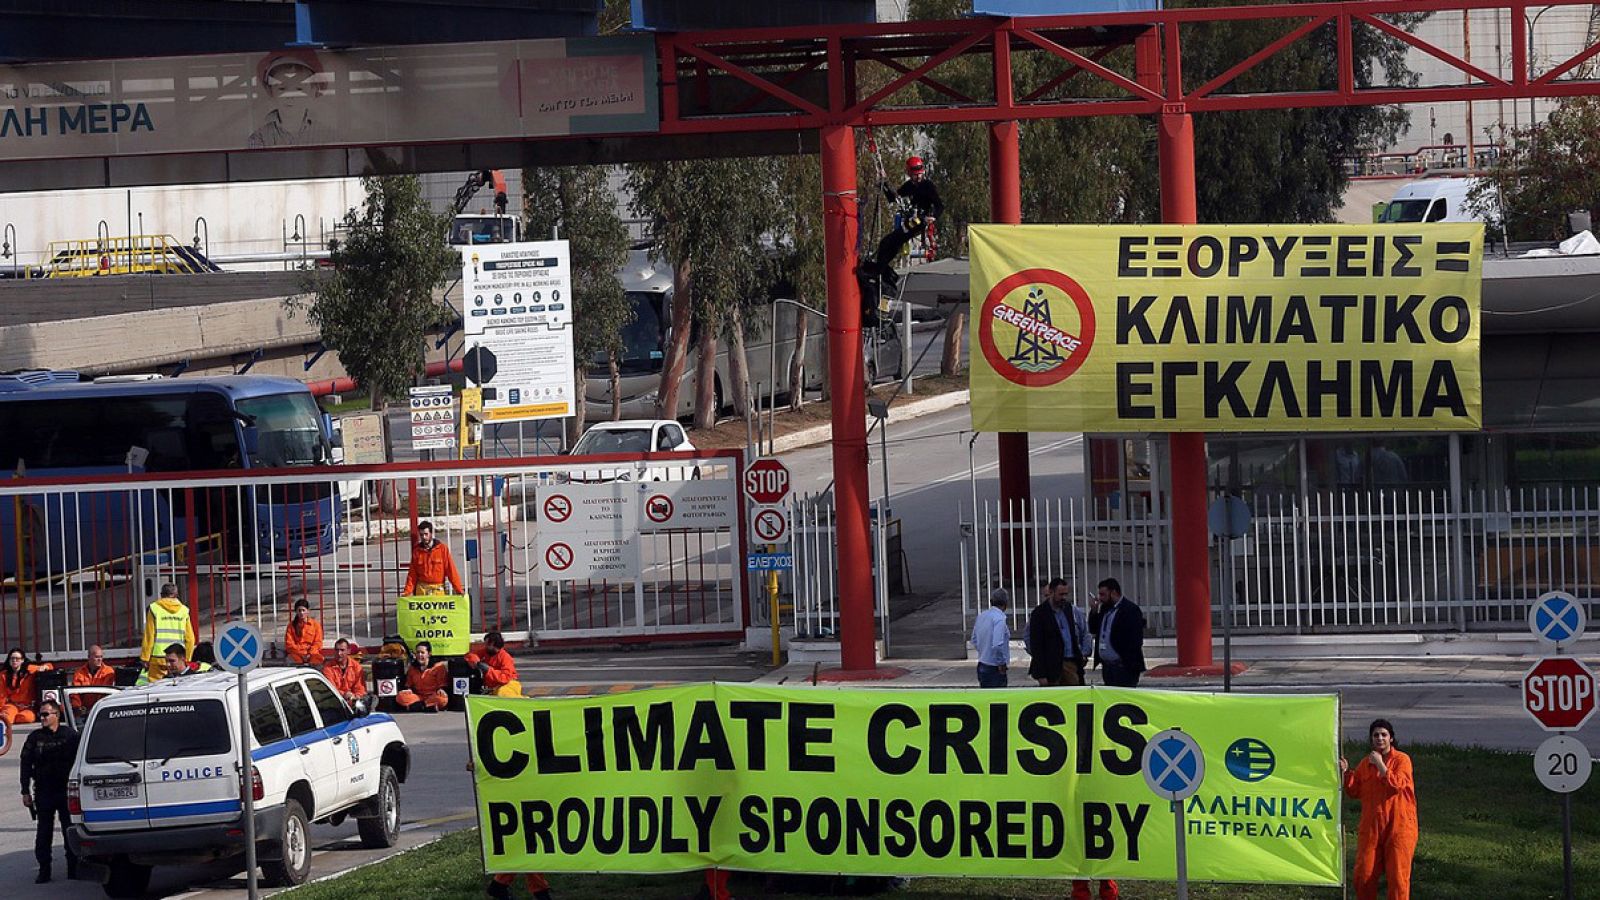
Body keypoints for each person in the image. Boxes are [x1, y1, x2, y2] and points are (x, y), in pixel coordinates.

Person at [1341, 718, 1417, 900]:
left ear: (1391, 738)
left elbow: (1397, 785)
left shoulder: (1402, 760)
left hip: (1399, 827)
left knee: (1398, 880)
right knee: (1363, 876)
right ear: (1371, 739)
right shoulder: (1365, 764)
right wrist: (1345, 772)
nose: (1380, 738)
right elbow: (1354, 790)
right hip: (1371, 828)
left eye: (1384, 735)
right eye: (1376, 735)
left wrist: (1381, 766)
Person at [20, 698, 80, 883]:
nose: (42, 718)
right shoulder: (35, 738)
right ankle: (44, 869)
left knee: (68, 829)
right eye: (41, 714)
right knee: (44, 832)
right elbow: (25, 764)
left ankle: (74, 868)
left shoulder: (71, 736)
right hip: (44, 791)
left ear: (57, 715)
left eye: (46, 714)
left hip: (65, 791)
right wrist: (25, 791)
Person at [247, 50, 329, 149]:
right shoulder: (259, 138)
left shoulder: (329, 136)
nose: (290, 96)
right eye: (282, 89)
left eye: (299, 89)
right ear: (270, 91)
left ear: (313, 90)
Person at [872, 155, 943, 271]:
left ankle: (880, 268)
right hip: (911, 221)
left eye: (920, 174)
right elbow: (894, 198)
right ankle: (881, 266)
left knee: (895, 240)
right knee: (888, 242)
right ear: (910, 174)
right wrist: (884, 184)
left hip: (920, 221)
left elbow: (939, 205)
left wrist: (933, 217)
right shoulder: (909, 186)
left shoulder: (928, 186)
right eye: (915, 175)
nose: (918, 177)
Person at [1025, 578, 1088, 687]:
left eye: (1066, 594)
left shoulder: (1069, 609)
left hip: (1070, 662)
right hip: (1050, 666)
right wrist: (1041, 674)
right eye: (1060, 594)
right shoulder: (1039, 613)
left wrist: (1082, 655)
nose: (1064, 597)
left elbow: (1079, 634)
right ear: (1051, 593)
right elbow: (1036, 645)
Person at [1089, 577, 1146, 688]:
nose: (1100, 598)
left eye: (1103, 595)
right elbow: (1093, 629)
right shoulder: (1105, 609)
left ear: (1113, 592)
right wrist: (1094, 611)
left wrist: (1124, 659)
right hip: (1108, 667)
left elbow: (1136, 640)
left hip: (1123, 666)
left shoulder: (1130, 610)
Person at [140, 582, 195, 682]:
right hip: (177, 657)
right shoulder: (184, 610)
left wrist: (145, 657)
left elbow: (149, 635)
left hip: (158, 657)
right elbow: (190, 638)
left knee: (156, 687)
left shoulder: (154, 608)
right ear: (176, 595)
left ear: (161, 595)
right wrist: (187, 658)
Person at [404, 521, 464, 596]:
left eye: (426, 534)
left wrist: (459, 590)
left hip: (437, 591)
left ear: (431, 534)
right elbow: (412, 574)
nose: (424, 537)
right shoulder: (417, 551)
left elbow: (451, 570)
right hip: (421, 591)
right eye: (421, 535)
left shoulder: (442, 549)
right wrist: (407, 592)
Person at [971, 589, 1011, 688]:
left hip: (982, 663)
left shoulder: (982, 616)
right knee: (998, 699)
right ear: (1005, 603)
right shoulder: (999, 619)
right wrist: (1001, 662)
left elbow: (974, 640)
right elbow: (997, 645)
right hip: (995, 667)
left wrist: (984, 651)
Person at [397, 640, 449, 712]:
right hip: (418, 697)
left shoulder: (438, 667)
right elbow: (409, 684)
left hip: (432, 696)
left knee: (442, 699)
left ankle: (418, 707)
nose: (419, 655)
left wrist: (442, 690)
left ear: (429, 654)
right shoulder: (412, 668)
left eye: (422, 653)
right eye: (418, 653)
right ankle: (427, 707)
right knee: (400, 696)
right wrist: (408, 690)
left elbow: (442, 684)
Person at [471, 631, 522, 698]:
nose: (485, 646)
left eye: (487, 644)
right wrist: (475, 662)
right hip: (494, 688)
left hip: (508, 686)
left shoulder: (505, 657)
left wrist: (488, 670)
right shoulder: (486, 652)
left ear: (493, 644)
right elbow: (471, 655)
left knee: (502, 693)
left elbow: (505, 678)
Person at [322, 638, 368, 706]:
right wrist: (344, 694)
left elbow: (360, 689)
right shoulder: (327, 668)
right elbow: (331, 689)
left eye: (342, 650)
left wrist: (356, 697)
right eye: (337, 650)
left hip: (353, 702)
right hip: (336, 702)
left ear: (348, 651)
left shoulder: (356, 667)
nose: (339, 653)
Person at [71, 645, 116, 712]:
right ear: (89, 657)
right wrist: (78, 708)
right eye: (96, 657)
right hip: (83, 711)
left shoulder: (109, 672)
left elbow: (107, 693)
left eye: (101, 657)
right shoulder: (79, 673)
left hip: (102, 709)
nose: (99, 659)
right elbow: (75, 694)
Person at [2, 647, 40, 726]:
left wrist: (44, 667)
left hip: (27, 707)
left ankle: (16, 718)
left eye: (17, 659)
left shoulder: (29, 670)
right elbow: (1, 695)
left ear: (22, 660)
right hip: (12, 705)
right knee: (6, 717)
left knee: (26, 718)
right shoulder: (3, 675)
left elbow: (49, 666)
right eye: (12, 658)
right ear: (9, 660)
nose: (14, 661)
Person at [284, 598, 325, 665]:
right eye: (299, 610)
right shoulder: (291, 626)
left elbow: (318, 642)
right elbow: (289, 645)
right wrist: (301, 654)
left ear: (308, 611)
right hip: (296, 654)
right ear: (296, 612)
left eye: (303, 610)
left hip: (312, 654)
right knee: (291, 660)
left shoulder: (315, 625)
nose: (301, 613)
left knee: (318, 661)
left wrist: (310, 653)